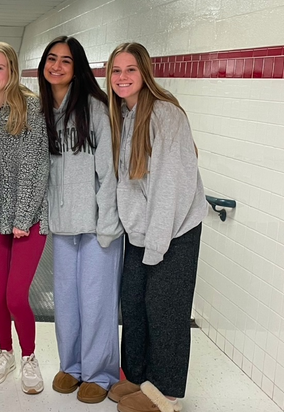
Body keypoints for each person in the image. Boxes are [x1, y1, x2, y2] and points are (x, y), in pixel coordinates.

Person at [105, 42, 208, 412]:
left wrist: (157, 244)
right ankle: (136, 376)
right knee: (133, 304)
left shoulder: (166, 115)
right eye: (116, 70)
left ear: (145, 73)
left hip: (174, 230)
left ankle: (166, 395)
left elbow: (171, 188)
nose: (122, 77)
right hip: (141, 231)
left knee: (165, 311)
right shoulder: (122, 114)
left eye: (130, 69)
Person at [38, 36, 124, 403]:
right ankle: (72, 366)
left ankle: (100, 373)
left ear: (78, 69)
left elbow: (109, 172)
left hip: (95, 226)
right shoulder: (42, 112)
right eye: (51, 59)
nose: (57, 66)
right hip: (62, 226)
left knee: (97, 300)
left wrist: (107, 226)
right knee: (67, 301)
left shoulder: (96, 109)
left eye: (66, 61)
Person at [0, 41, 50, 395]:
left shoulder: (31, 108)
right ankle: (4, 352)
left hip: (29, 219)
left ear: (12, 71)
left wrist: (23, 216)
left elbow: (38, 167)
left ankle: (29, 356)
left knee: (16, 297)